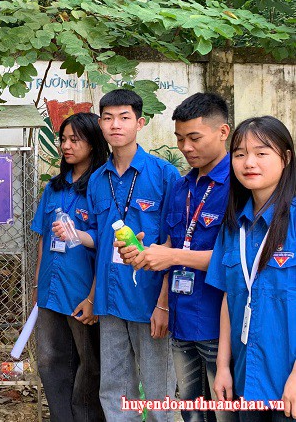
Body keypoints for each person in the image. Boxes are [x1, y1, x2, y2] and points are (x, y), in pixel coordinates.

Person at [123, 93, 237, 422]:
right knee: (190, 409)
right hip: (181, 318)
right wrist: (146, 257)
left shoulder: (238, 185)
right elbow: (173, 243)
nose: (186, 147)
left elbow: (235, 260)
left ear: (223, 132)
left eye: (194, 138)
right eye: (179, 138)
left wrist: (171, 255)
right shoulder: (182, 186)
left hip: (219, 322)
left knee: (225, 411)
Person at [84, 88, 180, 422]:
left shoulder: (164, 175)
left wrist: (164, 304)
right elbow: (99, 241)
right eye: (108, 118)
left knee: (158, 390)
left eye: (124, 117)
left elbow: (175, 243)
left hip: (148, 300)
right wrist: (93, 296)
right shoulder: (97, 179)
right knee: (114, 387)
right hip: (110, 301)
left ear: (140, 123)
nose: (115, 125)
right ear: (100, 124)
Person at [207, 116, 296, 421]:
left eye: (261, 153)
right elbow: (228, 297)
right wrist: (222, 367)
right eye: (240, 154)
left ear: (286, 158)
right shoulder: (234, 226)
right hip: (247, 378)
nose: (249, 163)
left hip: (289, 384)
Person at [31, 112, 108, 422]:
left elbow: (109, 244)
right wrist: (38, 284)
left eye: (75, 140)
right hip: (51, 291)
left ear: (93, 143)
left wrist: (93, 297)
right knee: (49, 360)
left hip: (82, 293)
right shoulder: (54, 187)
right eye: (63, 139)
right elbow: (43, 237)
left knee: (89, 365)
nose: (66, 146)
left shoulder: (103, 186)